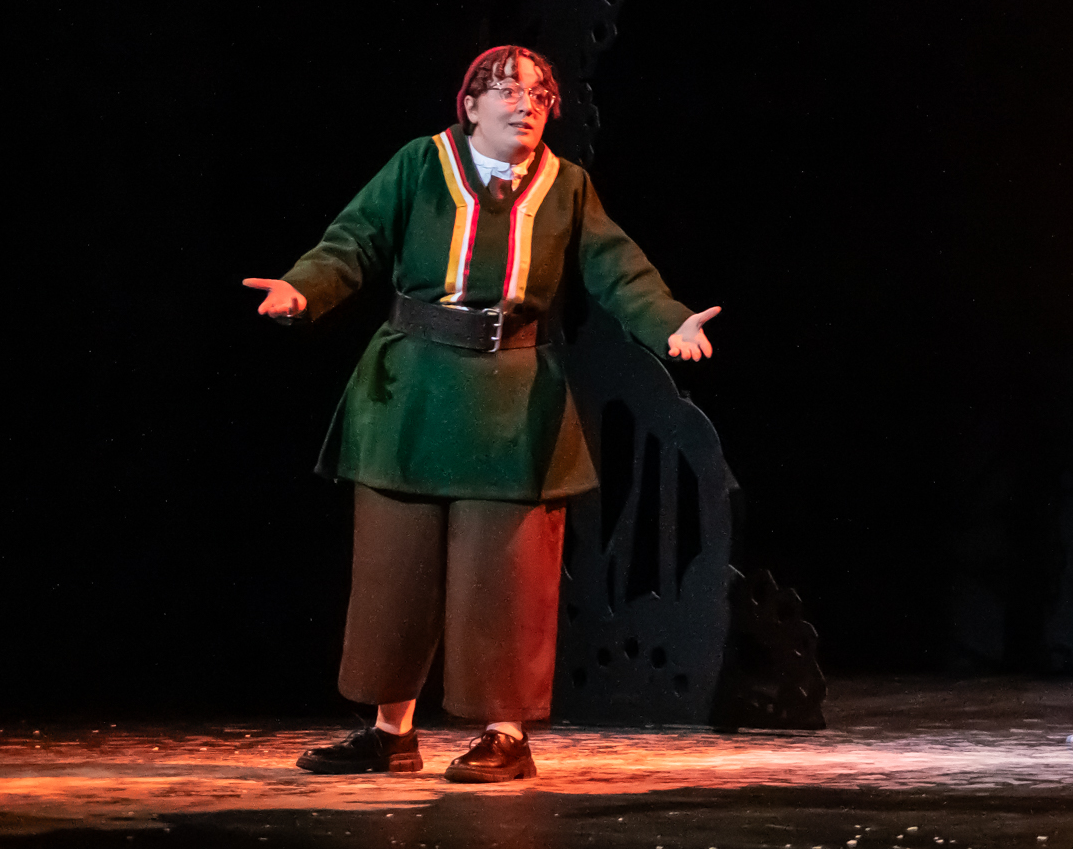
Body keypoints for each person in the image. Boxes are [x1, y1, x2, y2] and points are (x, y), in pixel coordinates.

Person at [244, 46, 719, 783]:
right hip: (410, 391)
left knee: (507, 573)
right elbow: (355, 240)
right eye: (506, 91)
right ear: (470, 106)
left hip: (514, 401)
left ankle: (505, 734)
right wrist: (305, 289)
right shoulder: (420, 164)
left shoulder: (566, 186)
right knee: (395, 568)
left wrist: (669, 322)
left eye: (538, 95)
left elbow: (617, 268)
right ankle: (390, 733)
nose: (525, 104)